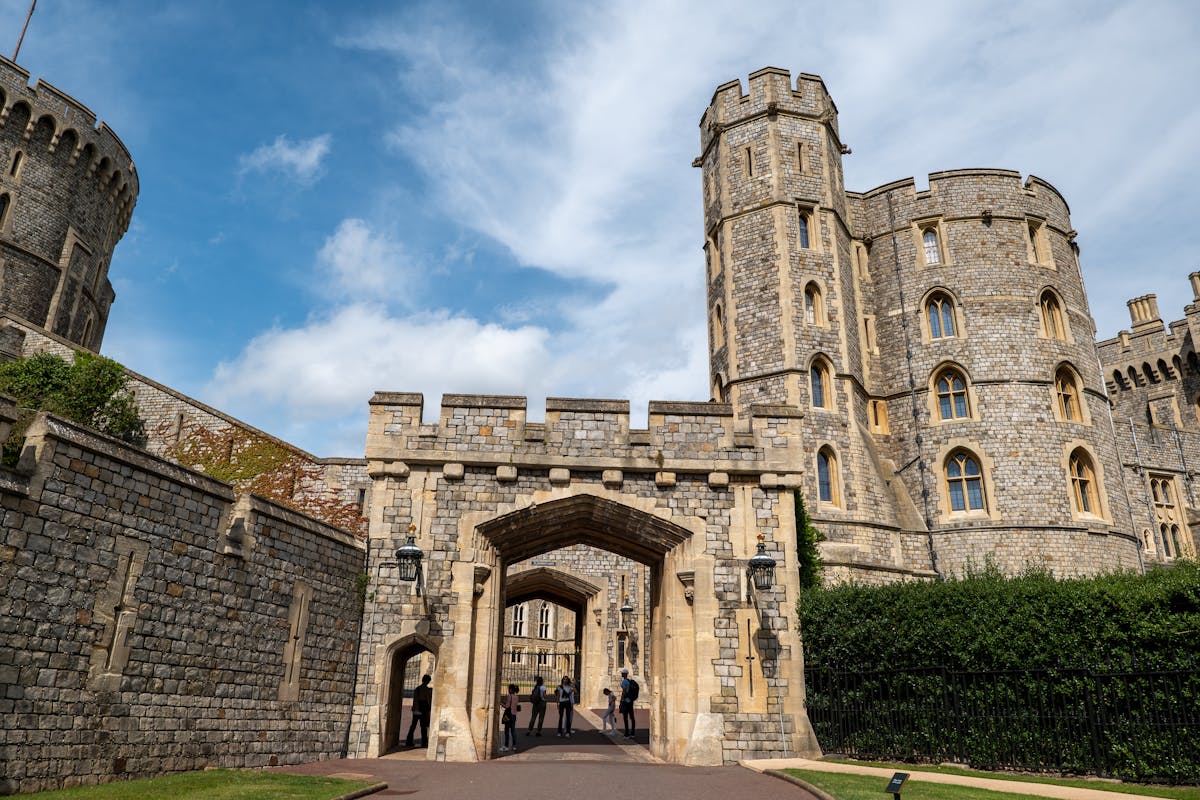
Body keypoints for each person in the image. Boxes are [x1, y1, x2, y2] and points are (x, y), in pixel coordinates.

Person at [405, 674, 433, 748]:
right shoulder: (425, 689)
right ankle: (423, 742)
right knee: (422, 726)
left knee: (414, 726)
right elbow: (425, 700)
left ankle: (409, 741)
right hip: (421, 708)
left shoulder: (419, 689)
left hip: (420, 708)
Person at [499, 683, 521, 752]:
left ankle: (506, 746)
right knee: (513, 730)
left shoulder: (509, 696)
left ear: (511, 690)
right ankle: (514, 746)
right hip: (514, 715)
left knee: (506, 731)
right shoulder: (517, 697)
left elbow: (507, 706)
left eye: (509, 689)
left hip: (508, 715)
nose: (508, 690)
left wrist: (501, 703)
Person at [619, 668, 635, 739]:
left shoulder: (624, 682)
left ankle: (626, 734)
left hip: (626, 701)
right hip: (630, 701)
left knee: (625, 717)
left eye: (622, 673)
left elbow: (624, 691)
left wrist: (621, 700)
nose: (621, 674)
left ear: (625, 674)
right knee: (632, 717)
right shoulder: (629, 681)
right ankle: (632, 733)